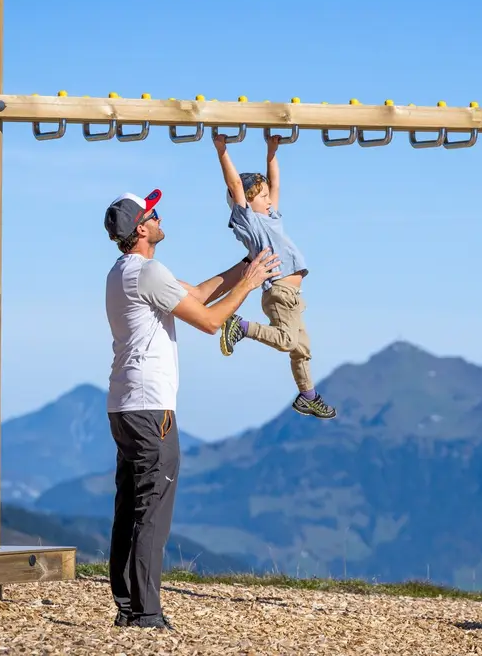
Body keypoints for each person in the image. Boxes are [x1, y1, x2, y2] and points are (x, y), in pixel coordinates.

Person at [102, 187, 280, 630]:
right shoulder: (149, 273)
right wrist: (251, 284)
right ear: (142, 229)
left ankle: (127, 606)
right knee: (153, 512)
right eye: (153, 213)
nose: (160, 216)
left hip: (123, 406)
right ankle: (147, 614)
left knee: (129, 507)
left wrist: (245, 266)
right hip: (151, 409)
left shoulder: (122, 272)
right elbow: (210, 320)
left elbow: (198, 293)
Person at [211, 132, 337, 420]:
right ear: (247, 202)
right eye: (263, 196)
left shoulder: (271, 218)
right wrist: (222, 151)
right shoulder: (250, 223)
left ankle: (308, 396)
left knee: (302, 348)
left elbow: (276, 183)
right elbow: (234, 186)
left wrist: (271, 152)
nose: (270, 200)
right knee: (287, 341)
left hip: (292, 296)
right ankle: (240, 326)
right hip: (278, 291)